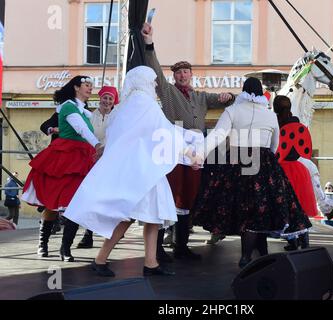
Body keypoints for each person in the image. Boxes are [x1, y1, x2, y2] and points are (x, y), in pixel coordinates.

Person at [63, 66, 203, 277]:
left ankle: (148, 262)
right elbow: (165, 133)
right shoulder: (146, 104)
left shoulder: (125, 106)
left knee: (146, 217)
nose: (156, 84)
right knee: (136, 217)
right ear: (144, 81)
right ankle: (106, 260)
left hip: (136, 169)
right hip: (145, 171)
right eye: (153, 80)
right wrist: (190, 153)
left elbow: (115, 134)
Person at [191, 77, 312, 268]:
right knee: (260, 209)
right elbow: (275, 145)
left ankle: (247, 255)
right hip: (264, 163)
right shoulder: (270, 115)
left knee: (241, 208)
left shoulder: (232, 111)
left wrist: (199, 154)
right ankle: (257, 253)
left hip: (236, 161)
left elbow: (217, 135)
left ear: (243, 91)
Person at [141, 22, 235, 261]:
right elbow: (156, 71)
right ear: (174, 76)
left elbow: (224, 100)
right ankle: (159, 248)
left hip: (196, 148)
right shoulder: (167, 91)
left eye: (186, 71)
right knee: (169, 194)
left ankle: (181, 245)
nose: (182, 75)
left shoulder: (201, 96)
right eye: (178, 72)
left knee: (188, 196)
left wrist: (229, 96)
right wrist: (149, 43)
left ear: (192, 74)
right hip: (173, 143)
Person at [21, 75, 103, 261]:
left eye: (91, 85)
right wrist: (97, 145)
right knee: (52, 204)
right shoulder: (68, 107)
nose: (90, 88)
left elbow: (94, 127)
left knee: (75, 205)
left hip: (83, 159)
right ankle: (43, 243)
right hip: (64, 159)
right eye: (87, 85)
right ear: (76, 88)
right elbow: (82, 129)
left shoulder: (84, 110)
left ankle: (65, 248)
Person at [74, 86, 120, 249]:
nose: (107, 101)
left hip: (109, 160)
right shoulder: (89, 115)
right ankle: (88, 235)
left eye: (111, 99)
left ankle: (113, 233)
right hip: (91, 160)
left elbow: (117, 136)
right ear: (100, 98)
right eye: (105, 98)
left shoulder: (117, 117)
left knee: (108, 198)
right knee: (91, 197)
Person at [273, 95, 317, 250]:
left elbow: (275, 151)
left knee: (286, 208)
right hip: (299, 169)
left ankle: (292, 242)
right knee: (301, 208)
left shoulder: (276, 123)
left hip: (282, 171)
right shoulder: (297, 123)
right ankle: (304, 242)